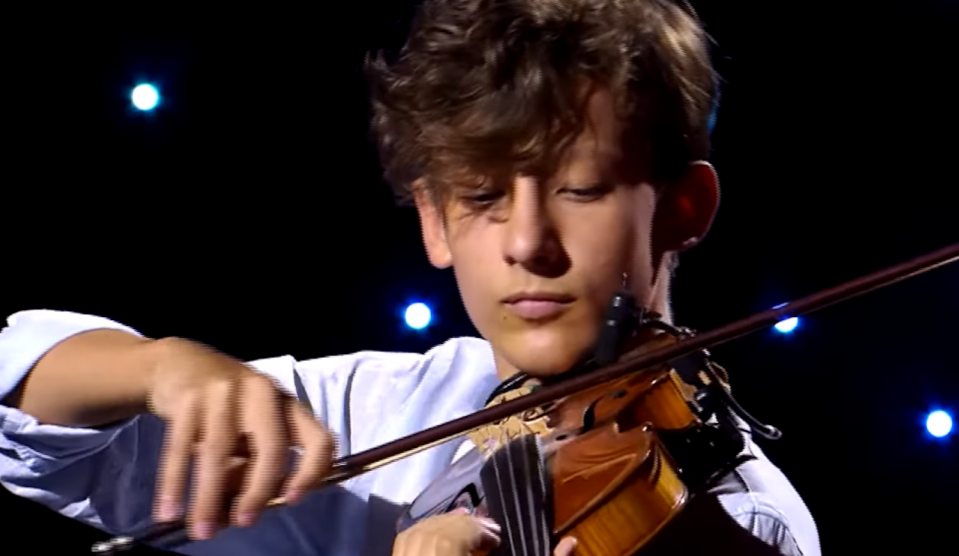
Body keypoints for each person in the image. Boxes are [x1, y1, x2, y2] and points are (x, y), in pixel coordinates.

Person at [0, 1, 820, 555]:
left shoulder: (748, 523)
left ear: (681, 208)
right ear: (433, 219)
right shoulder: (384, 412)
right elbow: (32, 427)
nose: (527, 243)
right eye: (482, 198)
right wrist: (158, 366)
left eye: (579, 189)